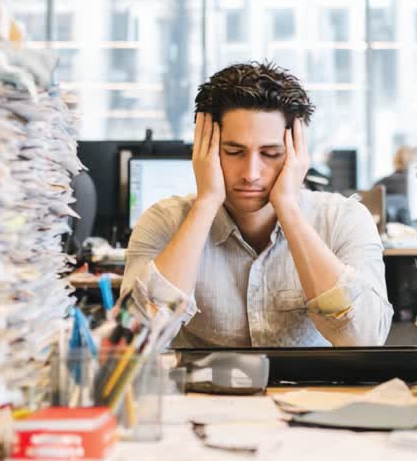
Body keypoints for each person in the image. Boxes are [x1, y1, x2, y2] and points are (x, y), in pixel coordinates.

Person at [120, 62, 392, 347]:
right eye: (234, 151)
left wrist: (288, 209)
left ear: (296, 154)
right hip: (204, 392)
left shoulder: (343, 220)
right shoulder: (163, 222)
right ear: (204, 149)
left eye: (271, 153)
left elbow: (364, 339)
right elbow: (132, 341)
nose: (251, 173)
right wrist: (206, 202)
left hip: (313, 392)